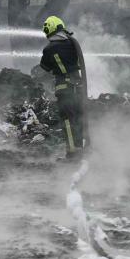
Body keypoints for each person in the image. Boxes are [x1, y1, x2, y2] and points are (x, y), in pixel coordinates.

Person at [38, 16, 88, 159]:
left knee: (67, 120)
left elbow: (45, 67)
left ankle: (72, 153)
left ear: (50, 29)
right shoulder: (72, 44)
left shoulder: (48, 49)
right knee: (78, 118)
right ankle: (80, 149)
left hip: (64, 89)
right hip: (78, 88)